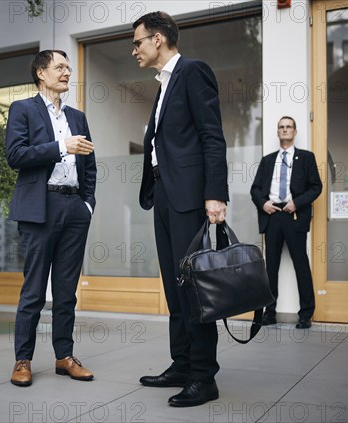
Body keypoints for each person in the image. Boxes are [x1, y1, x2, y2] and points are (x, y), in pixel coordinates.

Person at [133, 12, 229, 407]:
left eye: (137, 42)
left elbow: (212, 136)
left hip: (190, 197)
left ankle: (204, 378)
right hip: (164, 194)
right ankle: (183, 363)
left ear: (158, 39)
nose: (134, 50)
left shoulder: (193, 71)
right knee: (175, 286)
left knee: (194, 289)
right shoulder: (164, 84)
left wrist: (215, 194)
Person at [5, 50, 97, 387]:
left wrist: (87, 204)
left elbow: (90, 166)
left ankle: (64, 357)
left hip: (74, 209)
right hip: (39, 208)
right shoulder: (23, 110)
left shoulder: (78, 116)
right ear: (41, 73)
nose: (67, 73)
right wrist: (61, 147)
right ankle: (23, 360)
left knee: (66, 291)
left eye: (69, 68)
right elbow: (15, 155)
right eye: (59, 67)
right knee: (33, 291)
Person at [250, 116, 322, 329]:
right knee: (270, 267)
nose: (285, 130)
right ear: (278, 131)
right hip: (272, 216)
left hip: (294, 215)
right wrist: (264, 204)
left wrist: (296, 203)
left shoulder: (306, 158)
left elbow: (316, 187)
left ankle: (305, 314)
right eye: (281, 127)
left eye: (288, 127)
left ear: (295, 131)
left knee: (301, 264)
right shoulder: (268, 160)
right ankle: (269, 314)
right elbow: (255, 188)